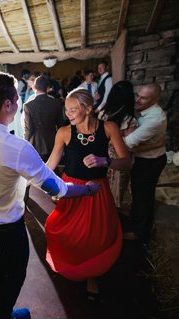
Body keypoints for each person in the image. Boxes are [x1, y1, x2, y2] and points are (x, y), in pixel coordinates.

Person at [0, 72, 100, 319]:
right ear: (7, 104)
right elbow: (57, 189)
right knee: (16, 269)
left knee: (3, 256)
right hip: (7, 221)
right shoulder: (17, 147)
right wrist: (88, 189)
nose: (17, 103)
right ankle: (4, 315)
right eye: (16, 99)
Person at [44, 88, 132, 302]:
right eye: (66, 110)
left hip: (97, 190)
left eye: (73, 110)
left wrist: (106, 161)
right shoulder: (64, 132)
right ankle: (74, 266)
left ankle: (91, 274)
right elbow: (49, 166)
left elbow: (127, 162)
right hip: (71, 190)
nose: (69, 115)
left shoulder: (109, 128)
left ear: (89, 108)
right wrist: (37, 183)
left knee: (96, 236)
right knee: (68, 233)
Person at [122, 83, 168, 243]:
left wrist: (135, 148)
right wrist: (157, 143)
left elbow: (127, 143)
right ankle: (135, 213)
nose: (138, 100)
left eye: (144, 98)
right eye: (138, 95)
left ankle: (139, 233)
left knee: (144, 197)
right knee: (138, 192)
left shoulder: (154, 119)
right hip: (145, 158)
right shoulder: (146, 111)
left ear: (155, 100)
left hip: (150, 162)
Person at [97, 80, 136, 209]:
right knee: (117, 189)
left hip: (102, 156)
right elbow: (130, 144)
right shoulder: (129, 120)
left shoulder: (102, 115)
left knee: (102, 188)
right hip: (120, 158)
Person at [23, 74, 65, 159]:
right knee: (52, 169)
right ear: (48, 89)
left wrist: (25, 142)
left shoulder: (28, 106)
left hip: (36, 144)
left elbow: (29, 130)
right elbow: (61, 125)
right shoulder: (56, 103)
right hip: (53, 143)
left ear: (34, 87)